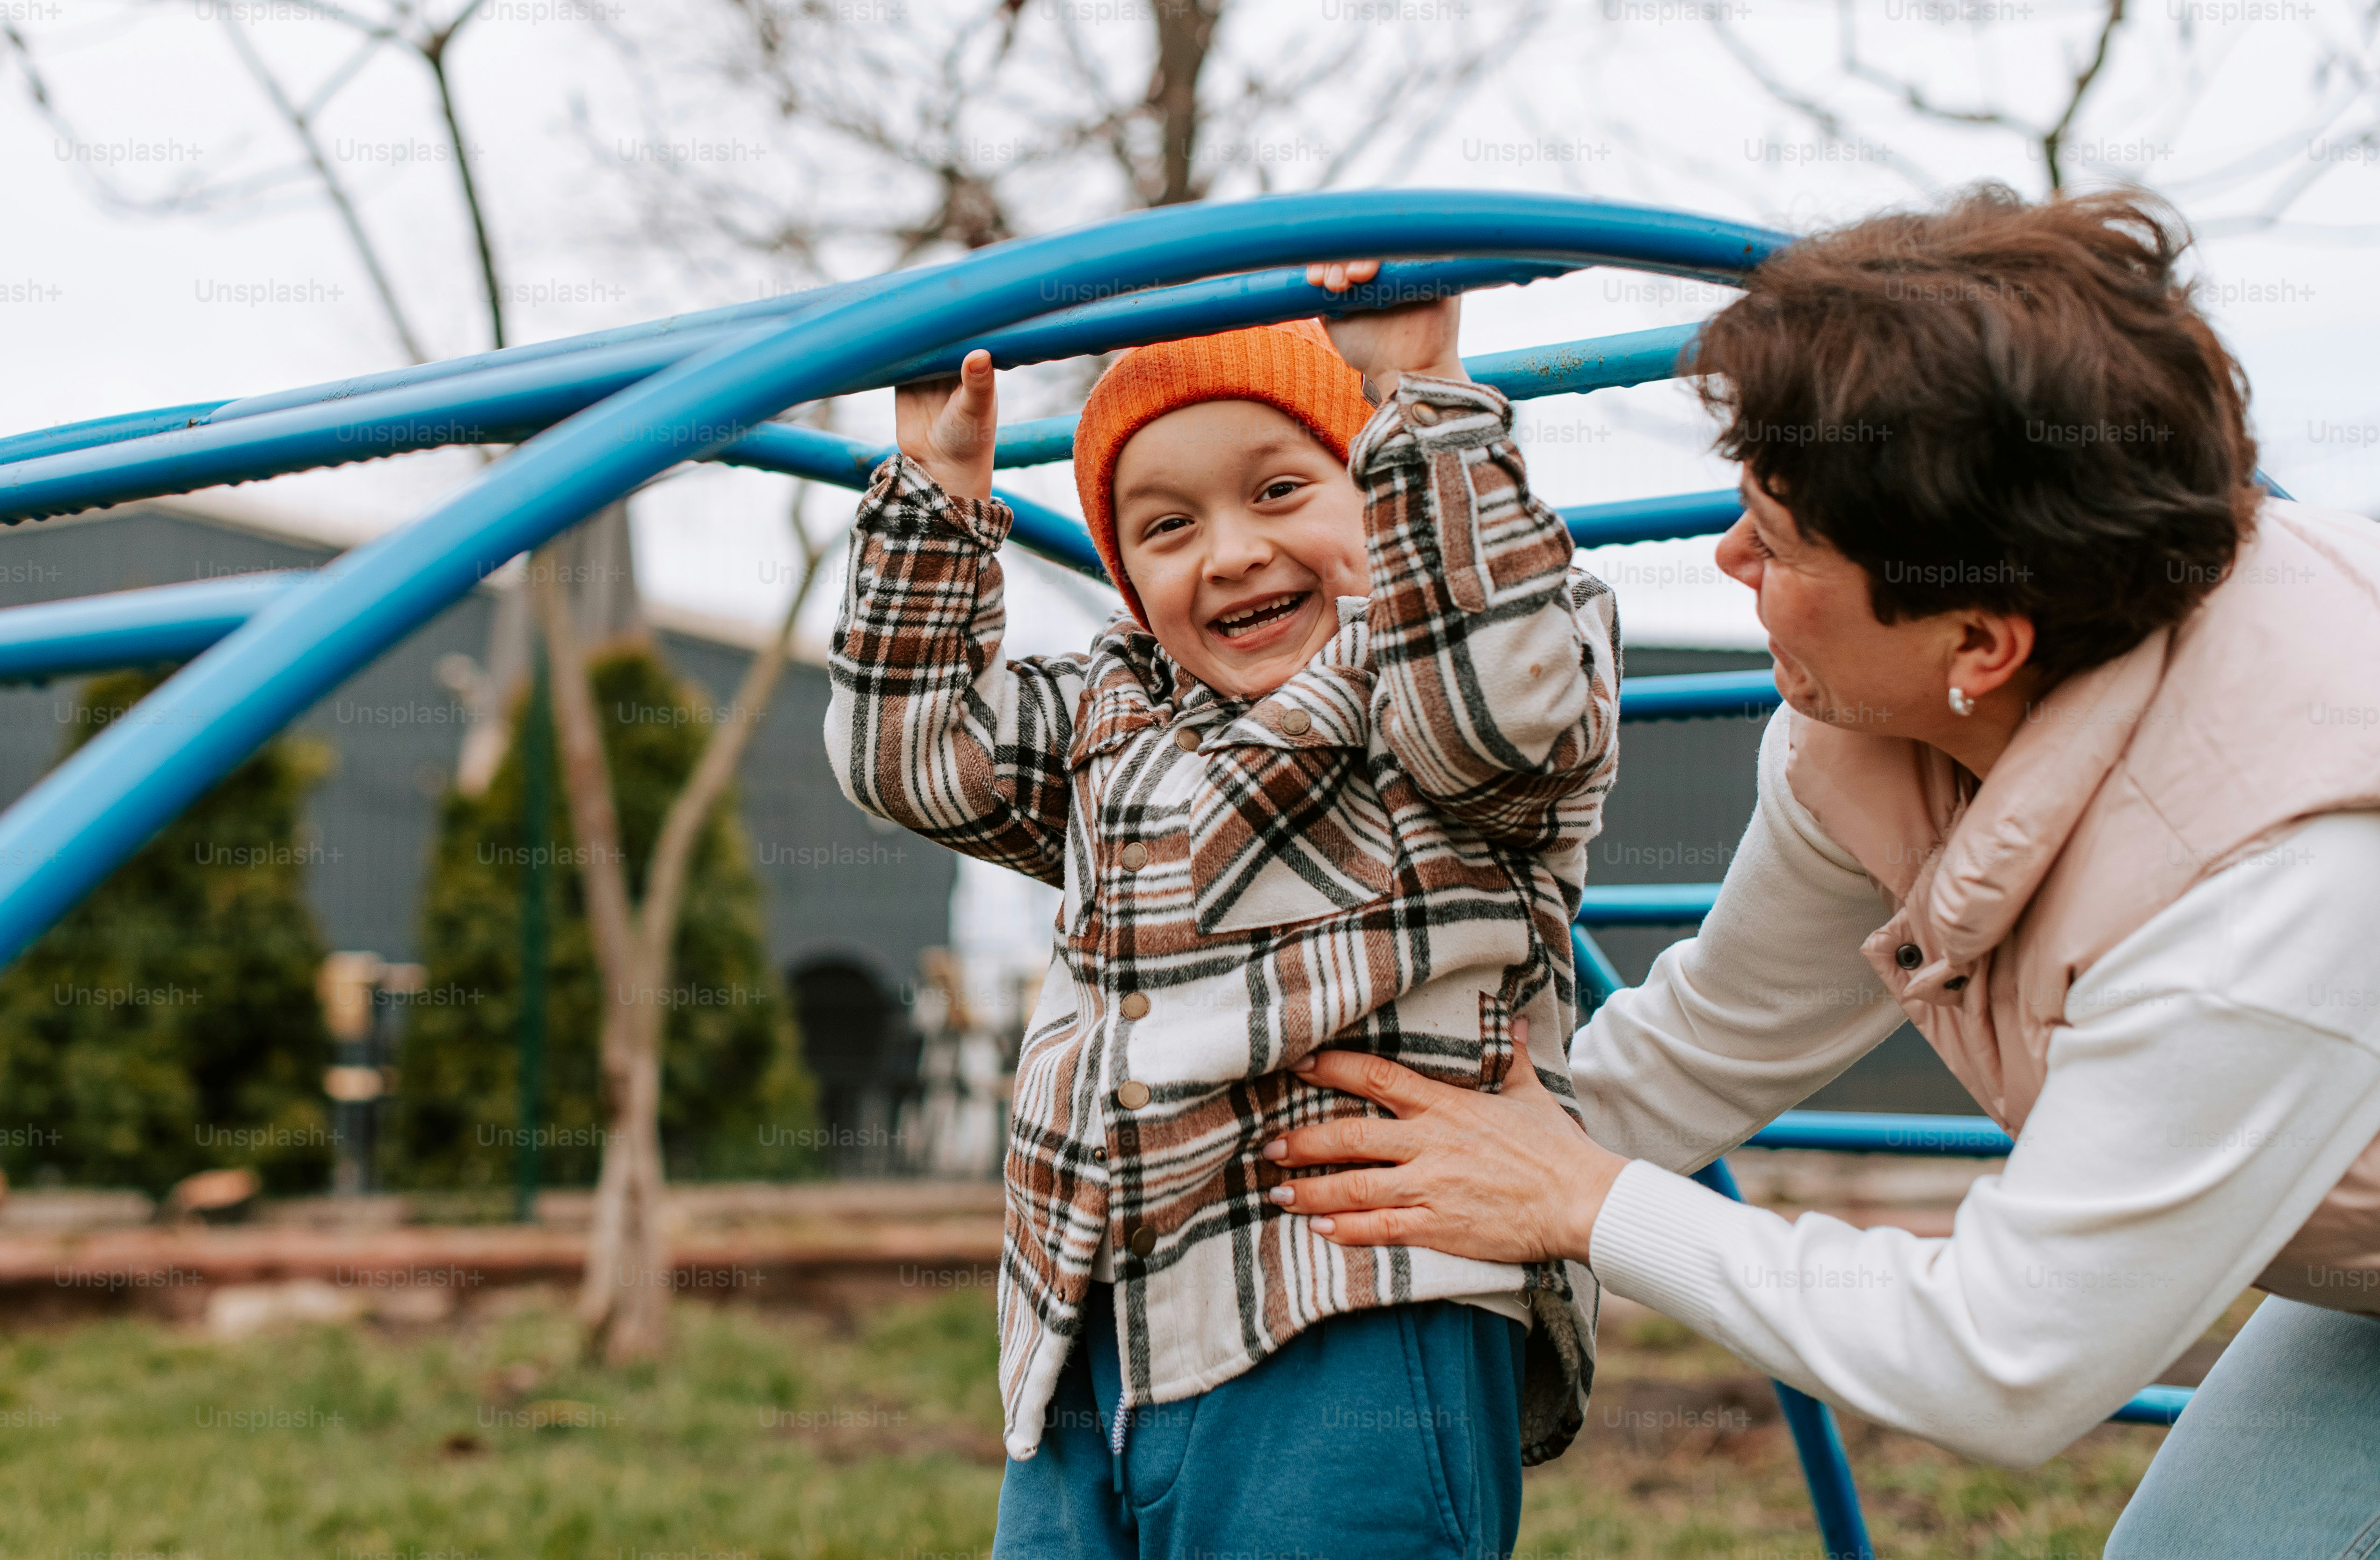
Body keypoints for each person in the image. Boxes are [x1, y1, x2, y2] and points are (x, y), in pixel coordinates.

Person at [1260, 187, 2380, 1558]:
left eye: (1780, 546)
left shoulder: (2276, 890)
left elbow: (2002, 1359)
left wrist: (1585, 1203)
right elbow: (1705, 1049)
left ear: (1981, 643)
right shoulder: (1871, 735)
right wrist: (1373, 1182)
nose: (1729, 557)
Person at [824, 286, 1622, 1558]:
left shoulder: (1442, 686)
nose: (1233, 552)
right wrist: (936, 495)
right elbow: (916, 759)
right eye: (1167, 527)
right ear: (1130, 583)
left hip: (1357, 1306)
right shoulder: (1112, 717)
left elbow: (1496, 712)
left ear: (1383, 498)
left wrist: (1420, 396)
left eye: (1280, 491)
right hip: (1093, 1337)